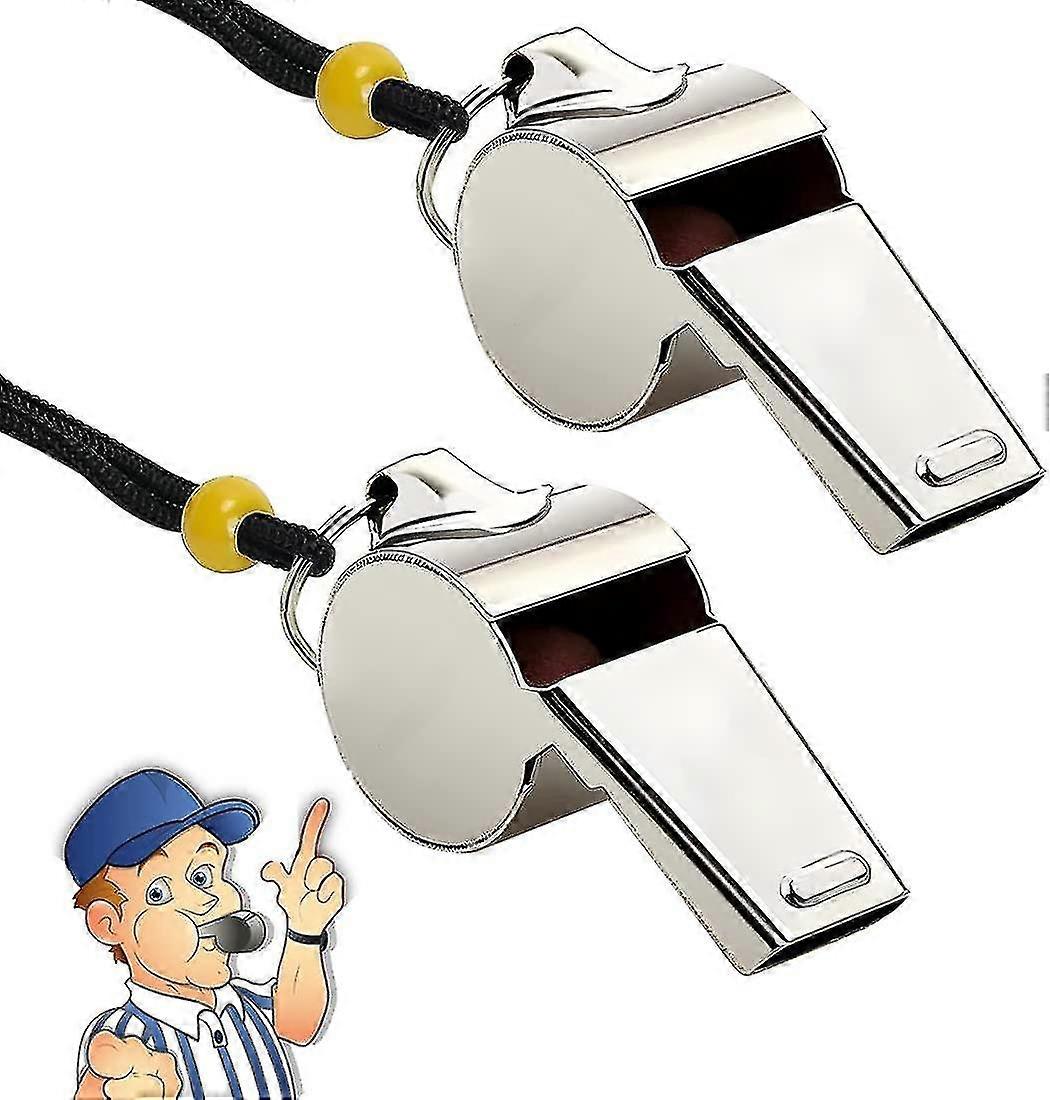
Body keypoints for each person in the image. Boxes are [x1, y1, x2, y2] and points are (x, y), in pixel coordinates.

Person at [67, 769, 345, 1098]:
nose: (209, 899)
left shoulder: (246, 1004)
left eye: (203, 876)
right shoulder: (125, 1035)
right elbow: (105, 1077)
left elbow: (297, 1025)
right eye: (159, 892)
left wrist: (305, 931)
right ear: (108, 924)